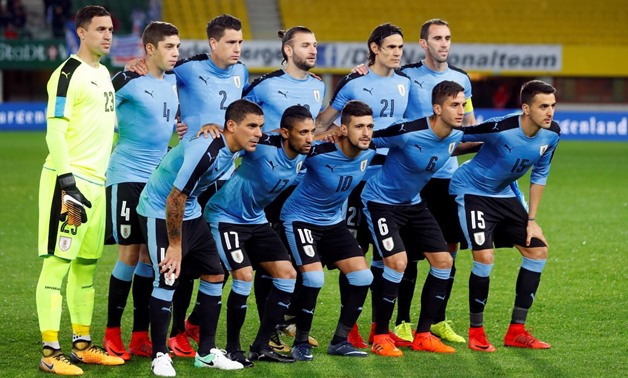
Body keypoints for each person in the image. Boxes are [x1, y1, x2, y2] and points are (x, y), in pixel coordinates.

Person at [128, 14, 249, 357]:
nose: (237, 48)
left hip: (222, 175)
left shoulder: (242, 72)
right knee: (164, 260)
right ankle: (169, 332)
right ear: (213, 44)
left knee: (211, 261)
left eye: (240, 42)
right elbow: (156, 73)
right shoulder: (189, 67)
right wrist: (136, 63)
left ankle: (193, 323)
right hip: (187, 171)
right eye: (230, 42)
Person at [136, 99, 264, 376]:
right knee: (168, 276)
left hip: (190, 209)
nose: (258, 133)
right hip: (159, 208)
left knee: (215, 274)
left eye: (260, 127)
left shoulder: (231, 143)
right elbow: (174, 197)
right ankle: (160, 354)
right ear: (232, 126)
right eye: (252, 126)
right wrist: (175, 245)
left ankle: (205, 353)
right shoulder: (207, 150)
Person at [35, 5, 124, 376]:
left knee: (87, 266)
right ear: (81, 32)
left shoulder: (103, 72)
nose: (107, 35)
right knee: (58, 264)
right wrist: (68, 182)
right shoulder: (67, 74)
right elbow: (55, 129)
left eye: (111, 29)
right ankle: (50, 352)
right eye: (100, 29)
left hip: (98, 184)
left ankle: (83, 344)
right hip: (69, 184)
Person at [316, 23, 410, 348]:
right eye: (391, 47)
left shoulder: (405, 83)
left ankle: (378, 328)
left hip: (391, 180)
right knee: (356, 252)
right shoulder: (354, 81)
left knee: (387, 255)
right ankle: (350, 328)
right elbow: (323, 122)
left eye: (401, 47)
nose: (398, 53)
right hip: (358, 178)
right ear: (374, 48)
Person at [449, 80, 559, 352]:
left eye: (553, 106)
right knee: (485, 257)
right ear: (525, 108)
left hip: (504, 195)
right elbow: (459, 134)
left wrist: (531, 221)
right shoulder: (502, 127)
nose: (550, 112)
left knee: (538, 250)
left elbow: (540, 175)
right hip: (471, 190)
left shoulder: (552, 134)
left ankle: (516, 331)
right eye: (543, 106)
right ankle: (476, 332)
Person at [204, 105, 315, 365]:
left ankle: (261, 346)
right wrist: (209, 127)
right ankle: (233, 348)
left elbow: (328, 142)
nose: (310, 138)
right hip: (225, 216)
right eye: (303, 133)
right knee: (243, 276)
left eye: (312, 132)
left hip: (256, 220)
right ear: (285, 133)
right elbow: (232, 137)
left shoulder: (305, 150)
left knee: (287, 275)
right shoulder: (263, 145)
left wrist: (332, 132)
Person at [363, 80, 467, 357]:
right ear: (437, 108)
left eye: (463, 104)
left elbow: (457, 146)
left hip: (414, 204)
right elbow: (366, 138)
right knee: (397, 263)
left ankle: (423, 335)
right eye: (454, 105)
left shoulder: (455, 136)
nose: (461, 110)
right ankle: (381, 335)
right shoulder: (408, 132)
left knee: (444, 261)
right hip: (380, 202)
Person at [392, 18, 475, 344]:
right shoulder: (407, 76)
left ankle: (437, 320)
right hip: (414, 176)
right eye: (437, 38)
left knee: (450, 248)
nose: (444, 43)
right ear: (423, 43)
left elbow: (469, 124)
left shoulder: (462, 79)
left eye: (448, 38)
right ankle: (402, 322)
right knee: (411, 251)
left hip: (447, 176)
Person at [242, 25, 325, 351]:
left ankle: (286, 321)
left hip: (301, 184)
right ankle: (271, 330)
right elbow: (233, 119)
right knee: (268, 263)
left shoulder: (318, 87)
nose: (313, 50)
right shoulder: (265, 85)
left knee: (295, 258)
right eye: (306, 45)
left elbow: (315, 129)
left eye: (315, 44)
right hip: (264, 185)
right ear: (288, 50)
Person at [102, 21, 181, 361]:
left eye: (177, 46)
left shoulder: (175, 81)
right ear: (150, 49)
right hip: (126, 177)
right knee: (130, 255)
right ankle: (111, 333)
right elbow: (97, 98)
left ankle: (139, 336)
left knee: (151, 258)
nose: (175, 53)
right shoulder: (129, 79)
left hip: (158, 180)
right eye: (169, 47)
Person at [280, 100, 376, 360]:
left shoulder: (371, 151)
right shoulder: (319, 151)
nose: (366, 132)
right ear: (343, 129)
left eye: (369, 126)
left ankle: (340, 341)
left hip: (333, 222)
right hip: (299, 219)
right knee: (314, 278)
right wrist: (318, 135)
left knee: (363, 277)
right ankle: (300, 341)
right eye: (358, 127)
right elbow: (285, 146)